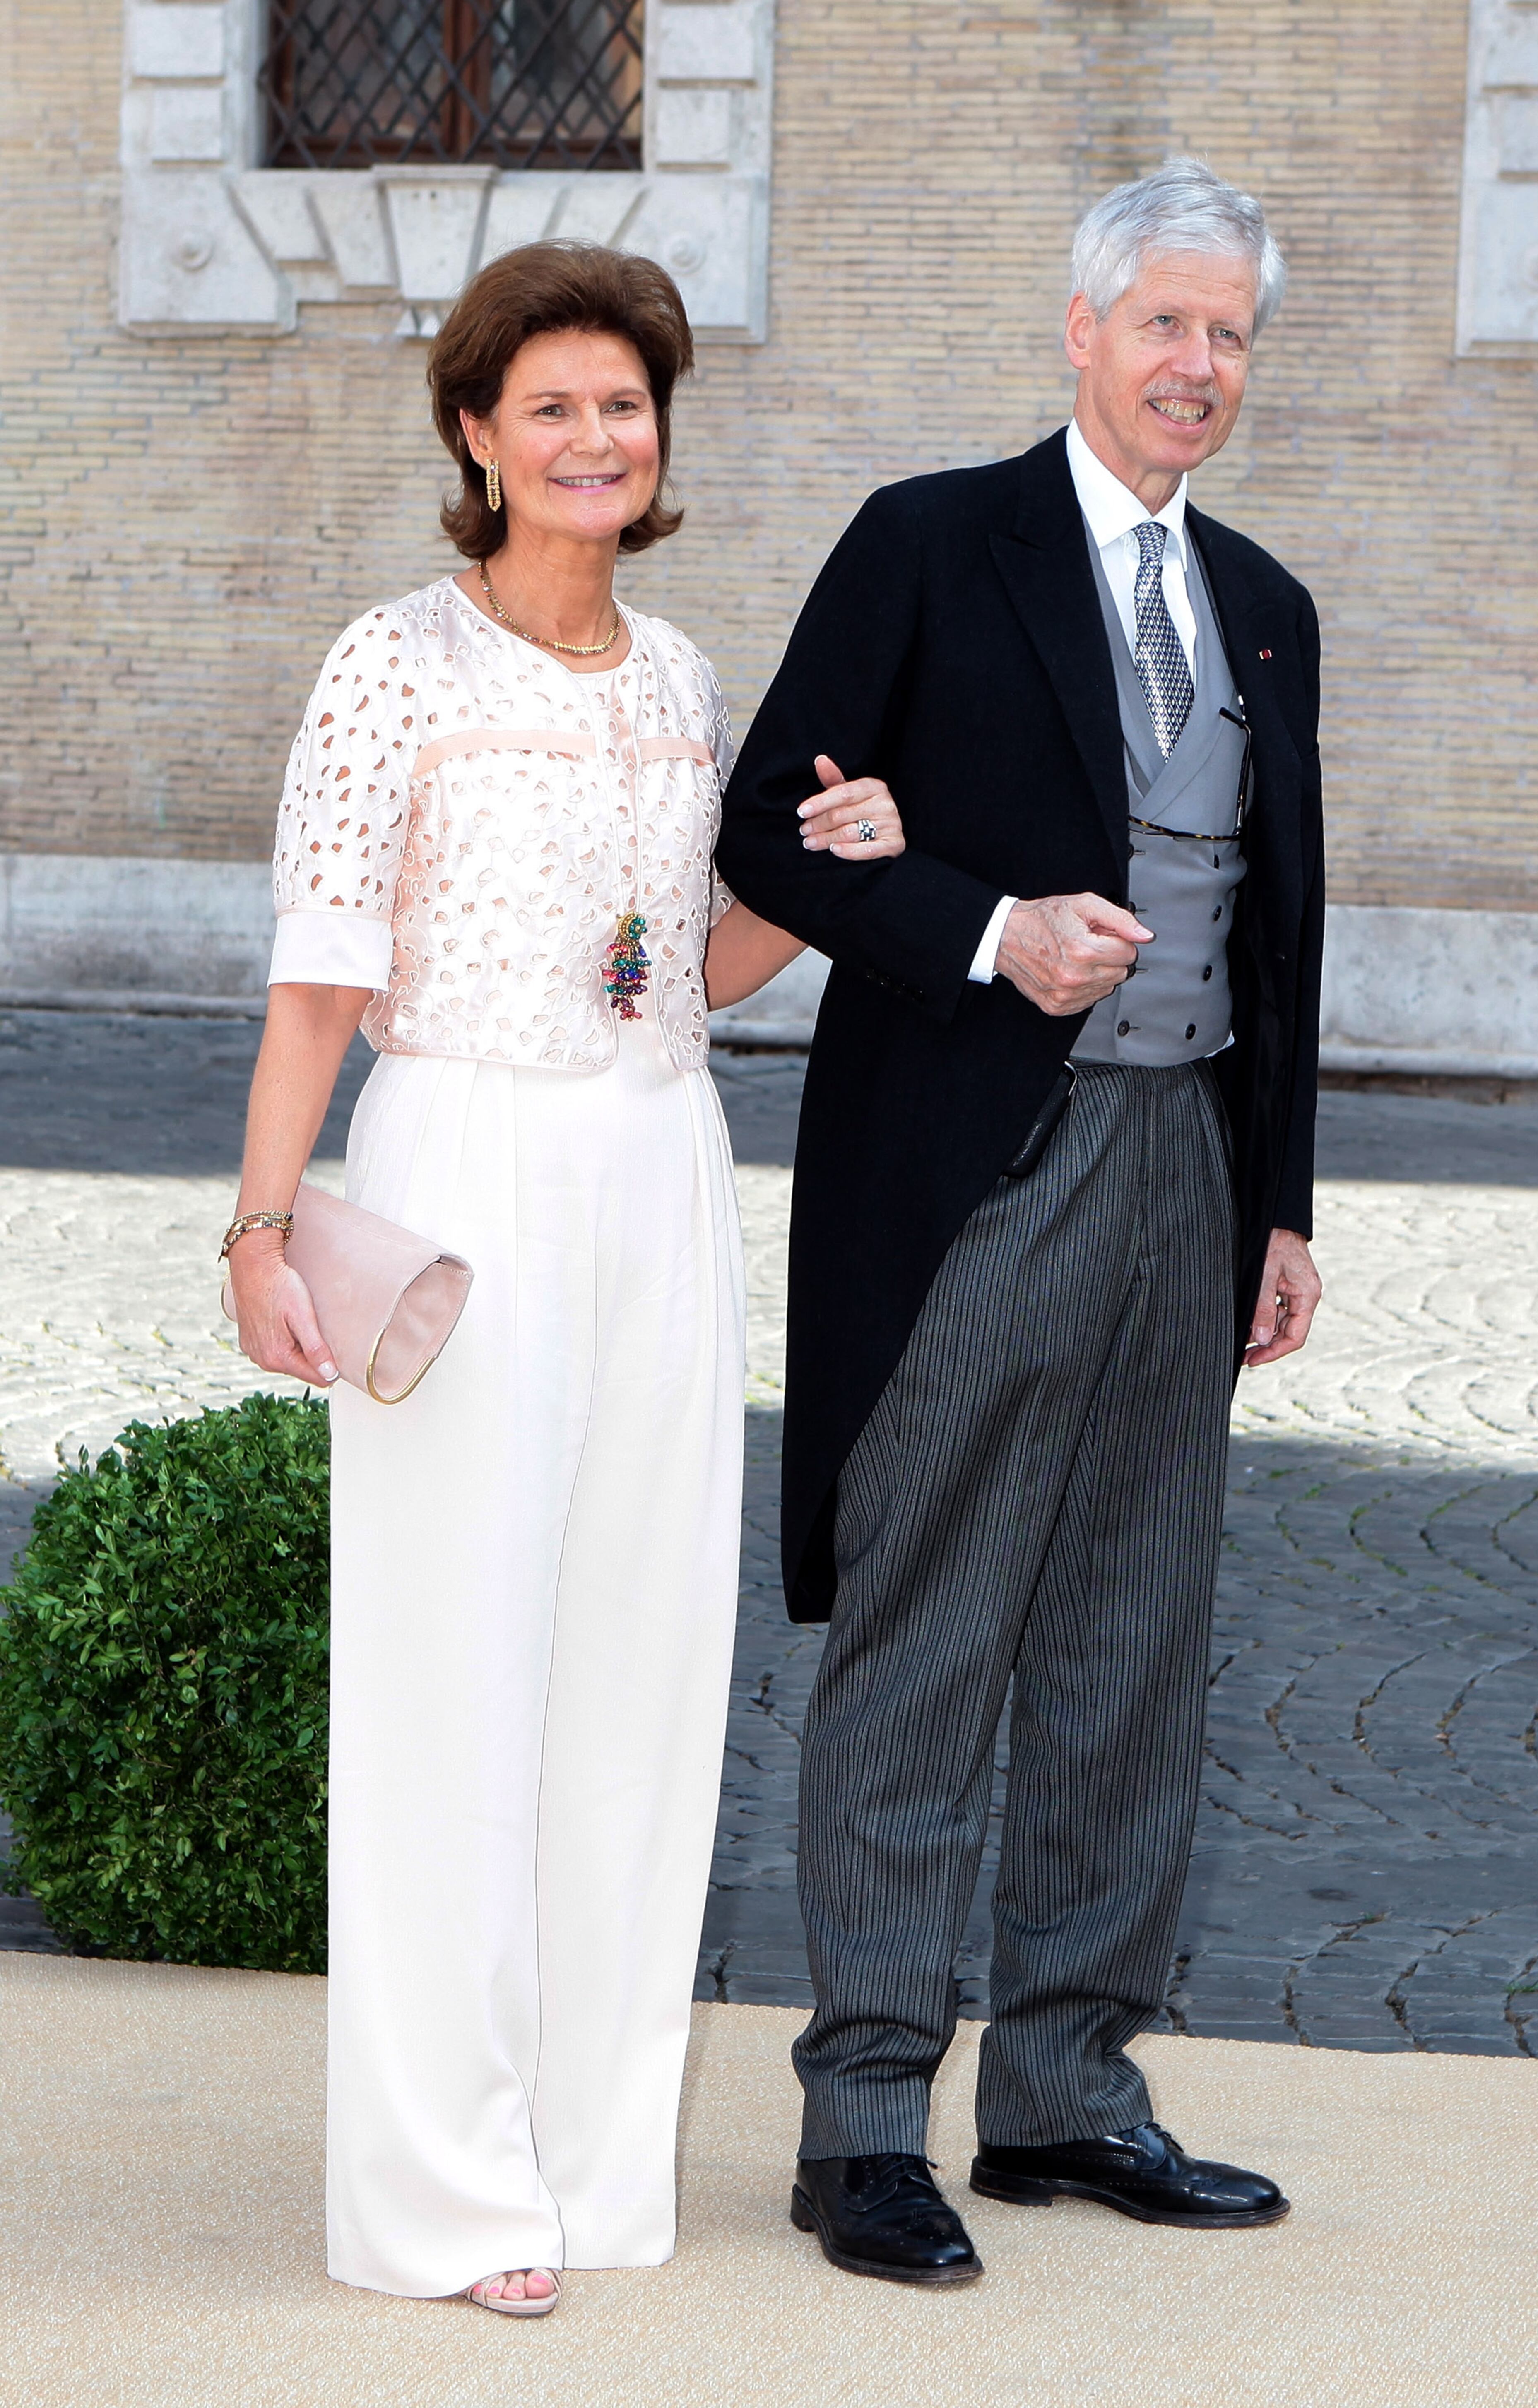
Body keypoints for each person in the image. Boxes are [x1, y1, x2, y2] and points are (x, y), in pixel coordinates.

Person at [224, 241, 905, 2317]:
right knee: (455, 1681)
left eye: (625, 405)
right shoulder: (392, 665)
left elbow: (675, 976)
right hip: (459, 1171)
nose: (597, 437)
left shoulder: (692, 685)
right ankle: (446, 2190)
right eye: (554, 408)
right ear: (477, 435)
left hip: (657, 1167)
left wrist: (824, 891)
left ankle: (595, 2162)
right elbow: (323, 983)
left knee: (638, 1672)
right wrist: (262, 1230)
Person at [715, 159, 1325, 2285]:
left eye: (1230, 334)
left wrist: (1280, 1204)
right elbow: (765, 827)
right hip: (979, 1165)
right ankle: (865, 2117)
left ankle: (1068, 2098)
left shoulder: (1263, 602)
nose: (1199, 366)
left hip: (1185, 1165)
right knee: (926, 1637)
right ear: (1080, 333)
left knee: (1136, 1644)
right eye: (1165, 324)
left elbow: (1282, 937)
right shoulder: (929, 542)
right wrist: (979, 930)